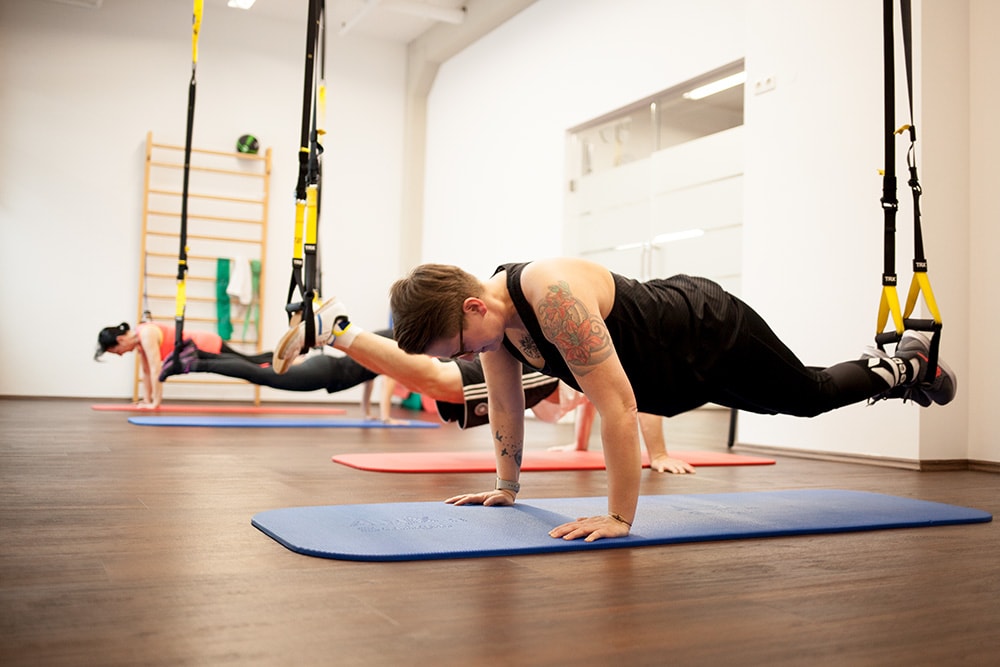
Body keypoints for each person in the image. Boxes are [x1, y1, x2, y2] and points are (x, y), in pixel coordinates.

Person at [386, 258, 957, 542]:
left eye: (454, 349)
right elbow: (506, 408)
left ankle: (905, 365)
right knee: (797, 396)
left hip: (709, 330)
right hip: (668, 374)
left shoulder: (551, 296)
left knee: (808, 397)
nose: (459, 361)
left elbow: (617, 407)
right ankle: (899, 367)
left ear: (472, 309)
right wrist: (507, 489)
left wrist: (618, 517)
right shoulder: (492, 328)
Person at [270, 302, 695, 471]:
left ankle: (338, 330)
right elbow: (639, 401)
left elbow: (596, 402)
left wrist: (582, 447)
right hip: (540, 377)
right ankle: (339, 329)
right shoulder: (634, 360)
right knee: (438, 380)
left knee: (437, 380)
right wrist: (657, 454)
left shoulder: (600, 359)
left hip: (544, 383)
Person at [95, 321, 271, 409]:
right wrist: (147, 401)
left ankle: (276, 361)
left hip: (203, 344)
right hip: (198, 346)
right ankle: (273, 360)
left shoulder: (146, 334)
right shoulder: (140, 341)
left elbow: (158, 369)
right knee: (249, 361)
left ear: (120, 340)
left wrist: (156, 402)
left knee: (249, 363)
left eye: (116, 351)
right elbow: (147, 372)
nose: (120, 355)